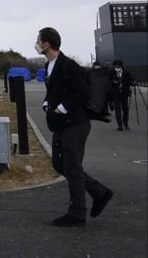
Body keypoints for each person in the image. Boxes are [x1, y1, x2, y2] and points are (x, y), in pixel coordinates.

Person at [37, 27, 113, 226]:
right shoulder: (49, 66)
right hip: (60, 124)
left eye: (39, 40)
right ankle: (99, 192)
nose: (37, 44)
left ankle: (78, 212)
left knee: (72, 166)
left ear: (47, 44)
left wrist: (62, 107)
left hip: (75, 124)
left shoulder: (68, 65)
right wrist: (47, 102)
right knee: (59, 164)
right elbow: (53, 91)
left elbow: (82, 91)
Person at [109, 59, 133, 131]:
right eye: (116, 66)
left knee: (125, 110)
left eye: (118, 66)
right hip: (115, 94)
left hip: (124, 93)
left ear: (121, 66)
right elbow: (107, 81)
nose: (117, 67)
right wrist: (113, 82)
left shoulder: (126, 72)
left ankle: (126, 123)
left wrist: (133, 83)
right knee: (117, 110)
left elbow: (130, 80)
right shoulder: (111, 72)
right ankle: (120, 125)